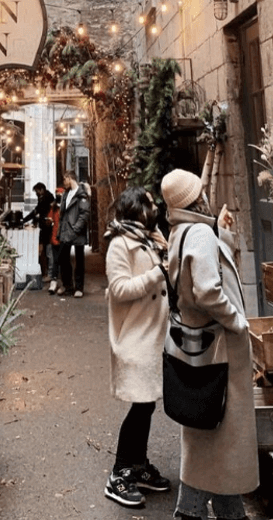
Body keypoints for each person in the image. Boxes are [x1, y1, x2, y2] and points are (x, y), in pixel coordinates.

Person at [160, 169, 257, 520]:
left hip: (198, 350)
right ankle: (192, 511)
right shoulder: (199, 232)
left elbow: (201, 273)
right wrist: (238, 321)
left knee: (210, 439)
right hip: (220, 351)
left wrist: (224, 235)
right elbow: (206, 289)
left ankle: (230, 512)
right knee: (219, 436)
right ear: (195, 198)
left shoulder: (182, 231)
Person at [102, 186, 173, 508]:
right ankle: (120, 473)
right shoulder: (120, 244)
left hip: (154, 333)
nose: (154, 206)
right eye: (147, 203)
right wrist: (157, 274)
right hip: (136, 336)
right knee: (141, 405)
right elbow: (119, 289)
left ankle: (139, 466)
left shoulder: (150, 237)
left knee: (147, 404)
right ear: (135, 209)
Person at [56, 172, 92, 297]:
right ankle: (68, 285)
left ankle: (79, 288)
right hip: (66, 231)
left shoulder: (82, 194)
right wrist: (60, 231)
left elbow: (84, 214)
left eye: (64, 180)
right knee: (62, 258)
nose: (63, 183)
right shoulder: (66, 194)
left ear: (70, 178)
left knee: (79, 260)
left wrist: (76, 228)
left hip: (76, 232)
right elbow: (63, 214)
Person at [19, 182, 55, 291]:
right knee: (45, 251)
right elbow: (36, 211)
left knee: (48, 252)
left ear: (41, 189)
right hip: (44, 228)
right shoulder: (43, 197)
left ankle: (50, 274)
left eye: (36, 191)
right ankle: (47, 273)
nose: (36, 194)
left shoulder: (47, 198)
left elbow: (40, 212)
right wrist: (26, 220)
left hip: (48, 229)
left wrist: (33, 219)